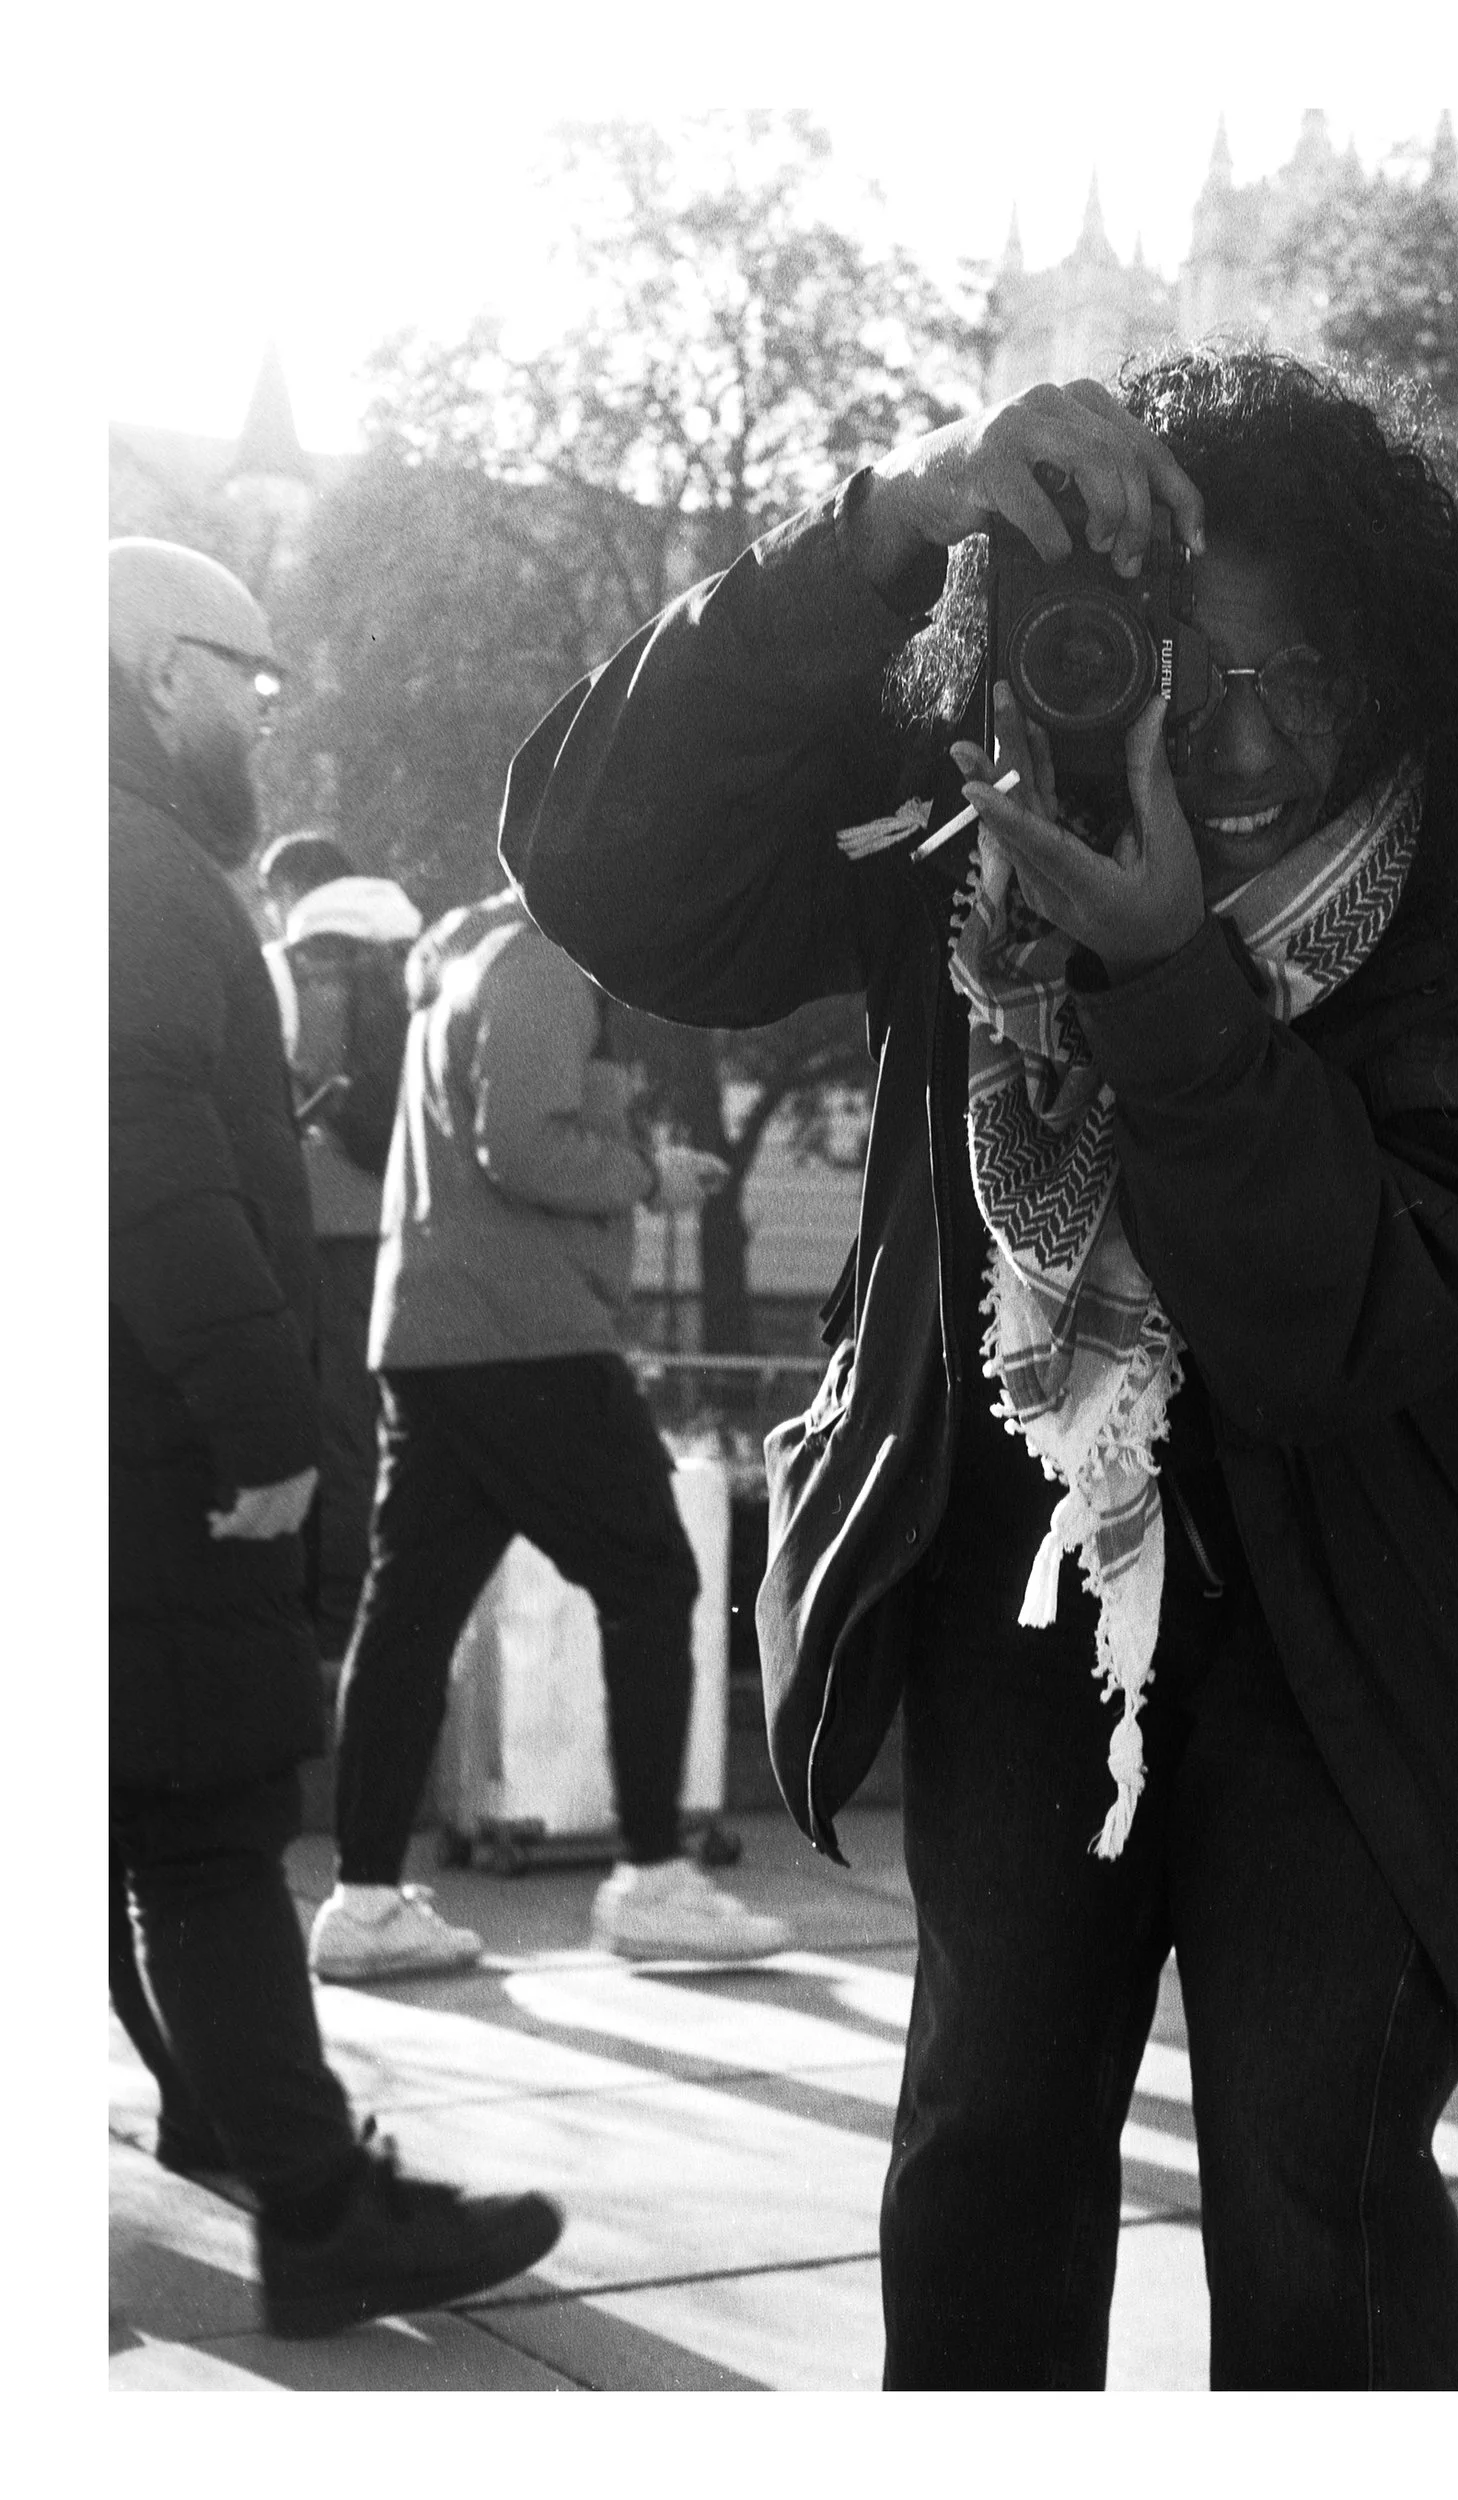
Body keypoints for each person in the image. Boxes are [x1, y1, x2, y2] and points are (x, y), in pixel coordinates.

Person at [499, 351, 1458, 2388]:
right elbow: (596, 863)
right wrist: (880, 523)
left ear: (1398, 670)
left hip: (1377, 1607)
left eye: (1308, 682)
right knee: (987, 2148)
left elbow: (1351, 1317)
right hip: (1018, 1576)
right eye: (1184, 674)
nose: (1245, 745)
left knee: (1316, 2179)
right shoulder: (976, 807)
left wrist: (1168, 974)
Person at [109, 537, 564, 2335]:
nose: (265, 715)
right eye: (252, 678)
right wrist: (263, 1426)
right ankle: (314, 2210)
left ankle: (231, 2132)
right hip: (152, 1450)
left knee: (141, 1818)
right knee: (207, 1825)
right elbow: (152, 1167)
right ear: (165, 672)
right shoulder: (136, 870)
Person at [305, 879, 793, 1980]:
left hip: (433, 1336)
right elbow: (521, 1145)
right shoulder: (544, 964)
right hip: (528, 1336)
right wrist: (647, 1176)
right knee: (653, 1579)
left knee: (409, 1617)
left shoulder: (468, 963)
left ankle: (364, 1900)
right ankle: (652, 1878)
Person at [255, 828, 425, 1664]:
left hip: (308, 1231)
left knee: (309, 1431)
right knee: (374, 1434)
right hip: (406, 1225)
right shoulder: (418, 955)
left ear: (290, 891)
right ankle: (365, 1624)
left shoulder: (285, 968)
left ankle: (322, 1631)